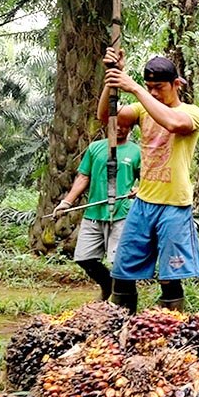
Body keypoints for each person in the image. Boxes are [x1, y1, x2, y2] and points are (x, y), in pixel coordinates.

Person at [97, 48, 199, 313]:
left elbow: (171, 123)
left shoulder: (191, 113)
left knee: (169, 277)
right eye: (149, 87)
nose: (154, 92)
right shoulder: (141, 109)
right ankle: (121, 329)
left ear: (176, 84)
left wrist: (134, 88)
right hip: (143, 203)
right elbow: (106, 117)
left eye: (159, 87)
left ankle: (169, 332)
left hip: (174, 206)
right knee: (122, 275)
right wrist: (113, 76)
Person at [54, 120, 140, 301]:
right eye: (115, 123)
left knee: (120, 263)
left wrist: (139, 190)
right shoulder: (95, 148)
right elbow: (83, 176)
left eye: (125, 124)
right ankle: (107, 284)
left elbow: (147, 179)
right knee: (84, 258)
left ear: (131, 128)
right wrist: (67, 203)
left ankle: (124, 306)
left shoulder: (136, 151)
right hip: (93, 213)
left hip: (121, 214)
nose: (119, 127)